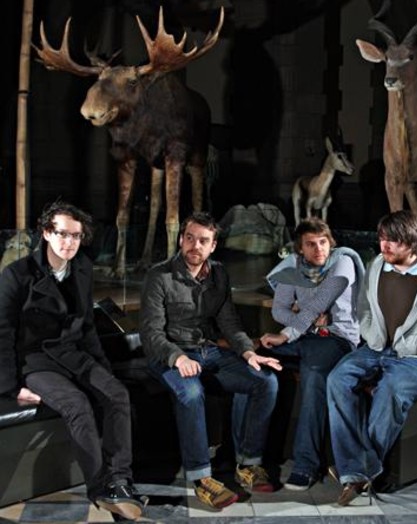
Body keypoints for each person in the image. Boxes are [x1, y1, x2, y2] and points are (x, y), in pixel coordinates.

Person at [0, 201, 146, 521]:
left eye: (76, 236)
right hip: (36, 361)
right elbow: (3, 333)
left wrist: (102, 370)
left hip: (74, 354)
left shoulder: (81, 268)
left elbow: (88, 326)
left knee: (117, 394)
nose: (69, 242)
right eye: (62, 234)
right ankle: (99, 487)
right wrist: (11, 388)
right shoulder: (17, 274)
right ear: (46, 233)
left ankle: (120, 480)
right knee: (76, 404)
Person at [326, 210, 417, 506]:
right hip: (377, 348)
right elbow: (363, 307)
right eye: (382, 238)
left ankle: (357, 472)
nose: (384, 245)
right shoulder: (377, 264)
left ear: (412, 241)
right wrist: (372, 335)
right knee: (337, 379)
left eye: (392, 240)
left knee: (390, 391)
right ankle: (361, 468)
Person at [139, 211, 282, 510]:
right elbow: (151, 333)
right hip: (168, 356)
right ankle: (202, 478)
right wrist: (178, 358)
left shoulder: (218, 273)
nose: (195, 246)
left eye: (203, 241)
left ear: (213, 246)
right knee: (192, 392)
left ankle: (248, 464)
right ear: (181, 239)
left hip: (208, 352)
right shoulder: (159, 275)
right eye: (190, 238)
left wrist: (248, 352)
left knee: (265, 381)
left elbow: (229, 322)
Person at [258, 217, 365, 490]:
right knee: (255, 359)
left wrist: (290, 330)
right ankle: (250, 456)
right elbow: (279, 310)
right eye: (311, 244)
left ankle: (306, 466)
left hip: (336, 338)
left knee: (314, 373)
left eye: (323, 242)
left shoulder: (343, 262)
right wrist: (301, 325)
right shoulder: (294, 266)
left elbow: (321, 300)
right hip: (305, 335)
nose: (319, 249)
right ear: (300, 248)